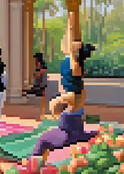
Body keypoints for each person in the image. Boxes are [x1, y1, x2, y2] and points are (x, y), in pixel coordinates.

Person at [30, 12, 96, 162]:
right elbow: (69, 42)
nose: (73, 42)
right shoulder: (72, 61)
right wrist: (70, 25)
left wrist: (53, 111)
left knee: (43, 140)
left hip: (69, 134)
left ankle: (33, 166)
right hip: (73, 128)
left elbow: (54, 106)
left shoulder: (74, 71)